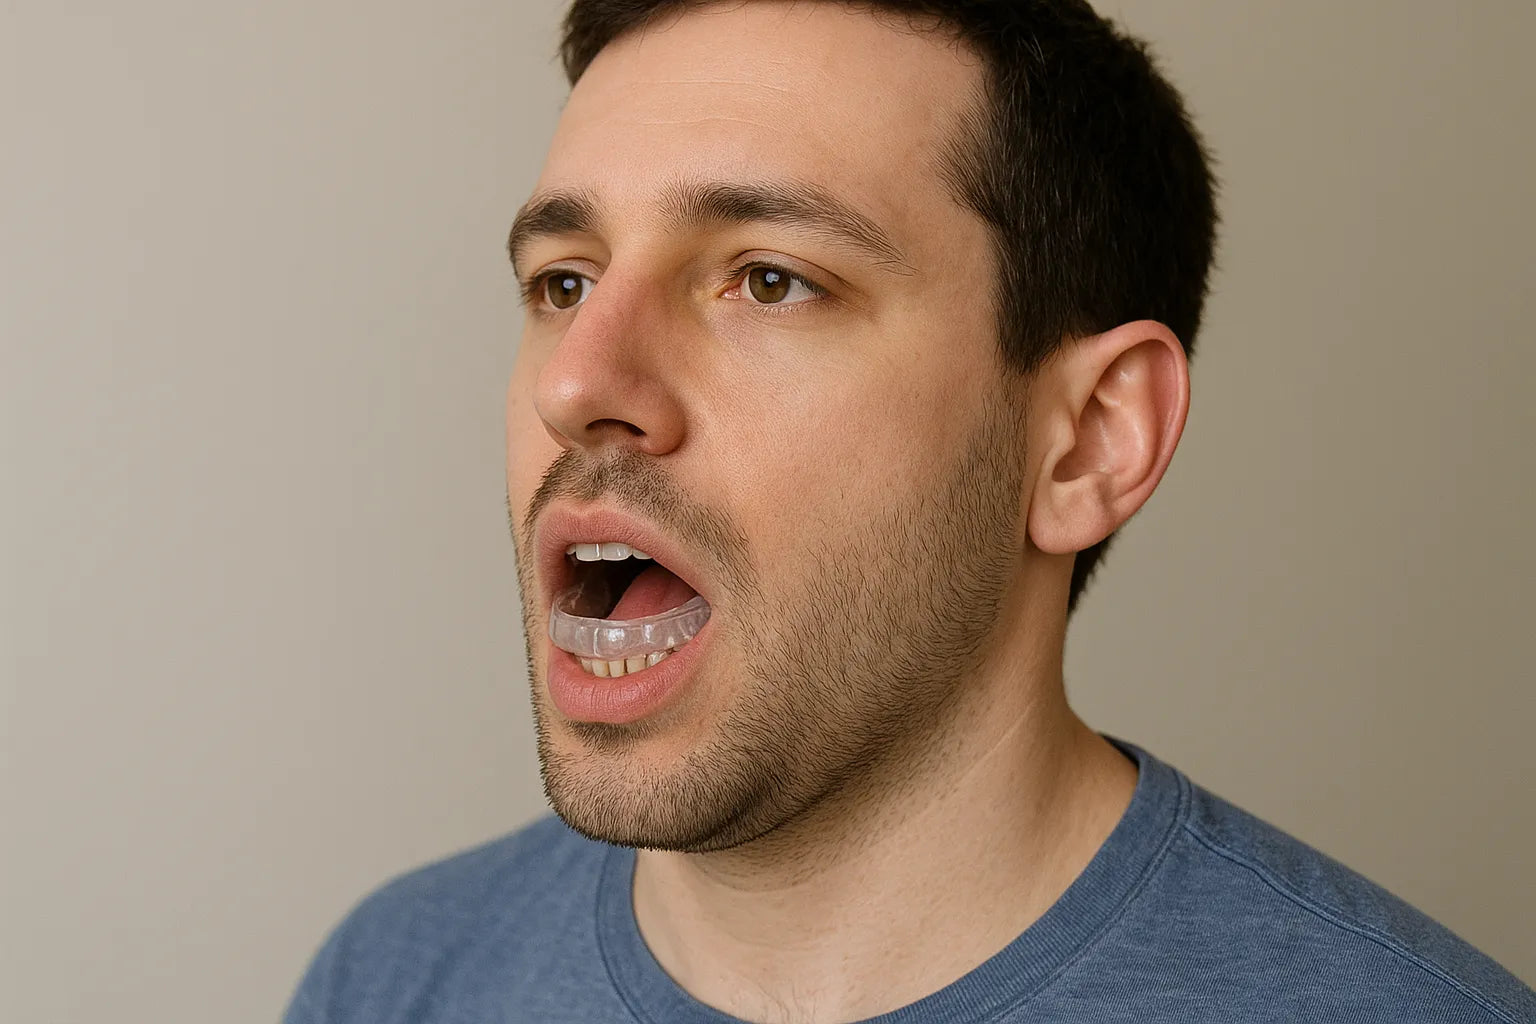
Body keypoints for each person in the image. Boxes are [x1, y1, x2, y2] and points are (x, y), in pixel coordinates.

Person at [285, 1, 1534, 1021]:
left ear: (1090, 441)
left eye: (769, 279)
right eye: (563, 281)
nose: (576, 382)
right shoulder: (394, 979)